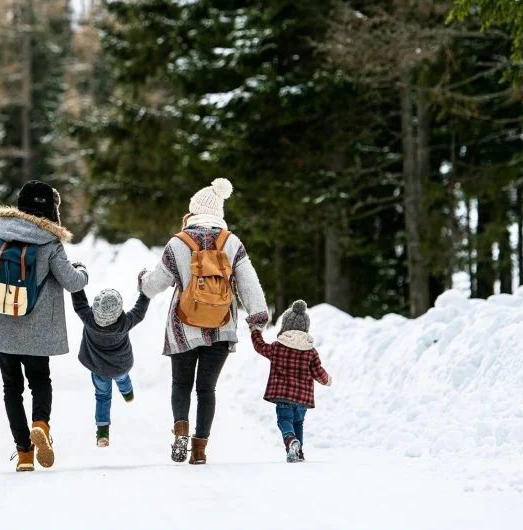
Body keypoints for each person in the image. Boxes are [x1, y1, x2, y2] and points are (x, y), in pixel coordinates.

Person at [0, 180, 89, 472]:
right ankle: (41, 425)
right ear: (50, 208)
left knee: (11, 387)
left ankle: (24, 454)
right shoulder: (50, 241)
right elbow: (72, 282)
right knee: (40, 382)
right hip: (38, 331)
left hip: (0, 326)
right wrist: (82, 270)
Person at [140, 177, 268, 465]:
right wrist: (257, 320)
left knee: (181, 384)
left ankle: (180, 431)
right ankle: (199, 450)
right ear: (219, 213)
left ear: (194, 211)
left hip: (182, 327)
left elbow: (155, 284)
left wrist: (142, 282)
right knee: (206, 389)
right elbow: (249, 284)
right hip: (222, 326)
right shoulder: (231, 242)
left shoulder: (178, 242)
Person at [250, 300, 332, 463]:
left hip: (283, 396)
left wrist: (255, 331)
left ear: (285, 326)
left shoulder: (277, 347)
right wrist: (327, 380)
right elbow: (317, 372)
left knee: (284, 421)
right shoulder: (311, 351)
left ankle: (290, 441)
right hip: (303, 399)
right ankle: (298, 452)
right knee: (298, 423)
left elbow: (260, 346)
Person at [71, 281, 150, 447]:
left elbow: (79, 303)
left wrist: (76, 278)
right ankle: (128, 394)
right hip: (121, 366)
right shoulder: (124, 323)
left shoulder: (88, 319)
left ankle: (102, 433)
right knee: (123, 380)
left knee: (102, 396)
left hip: (98, 368)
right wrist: (145, 291)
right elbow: (140, 312)